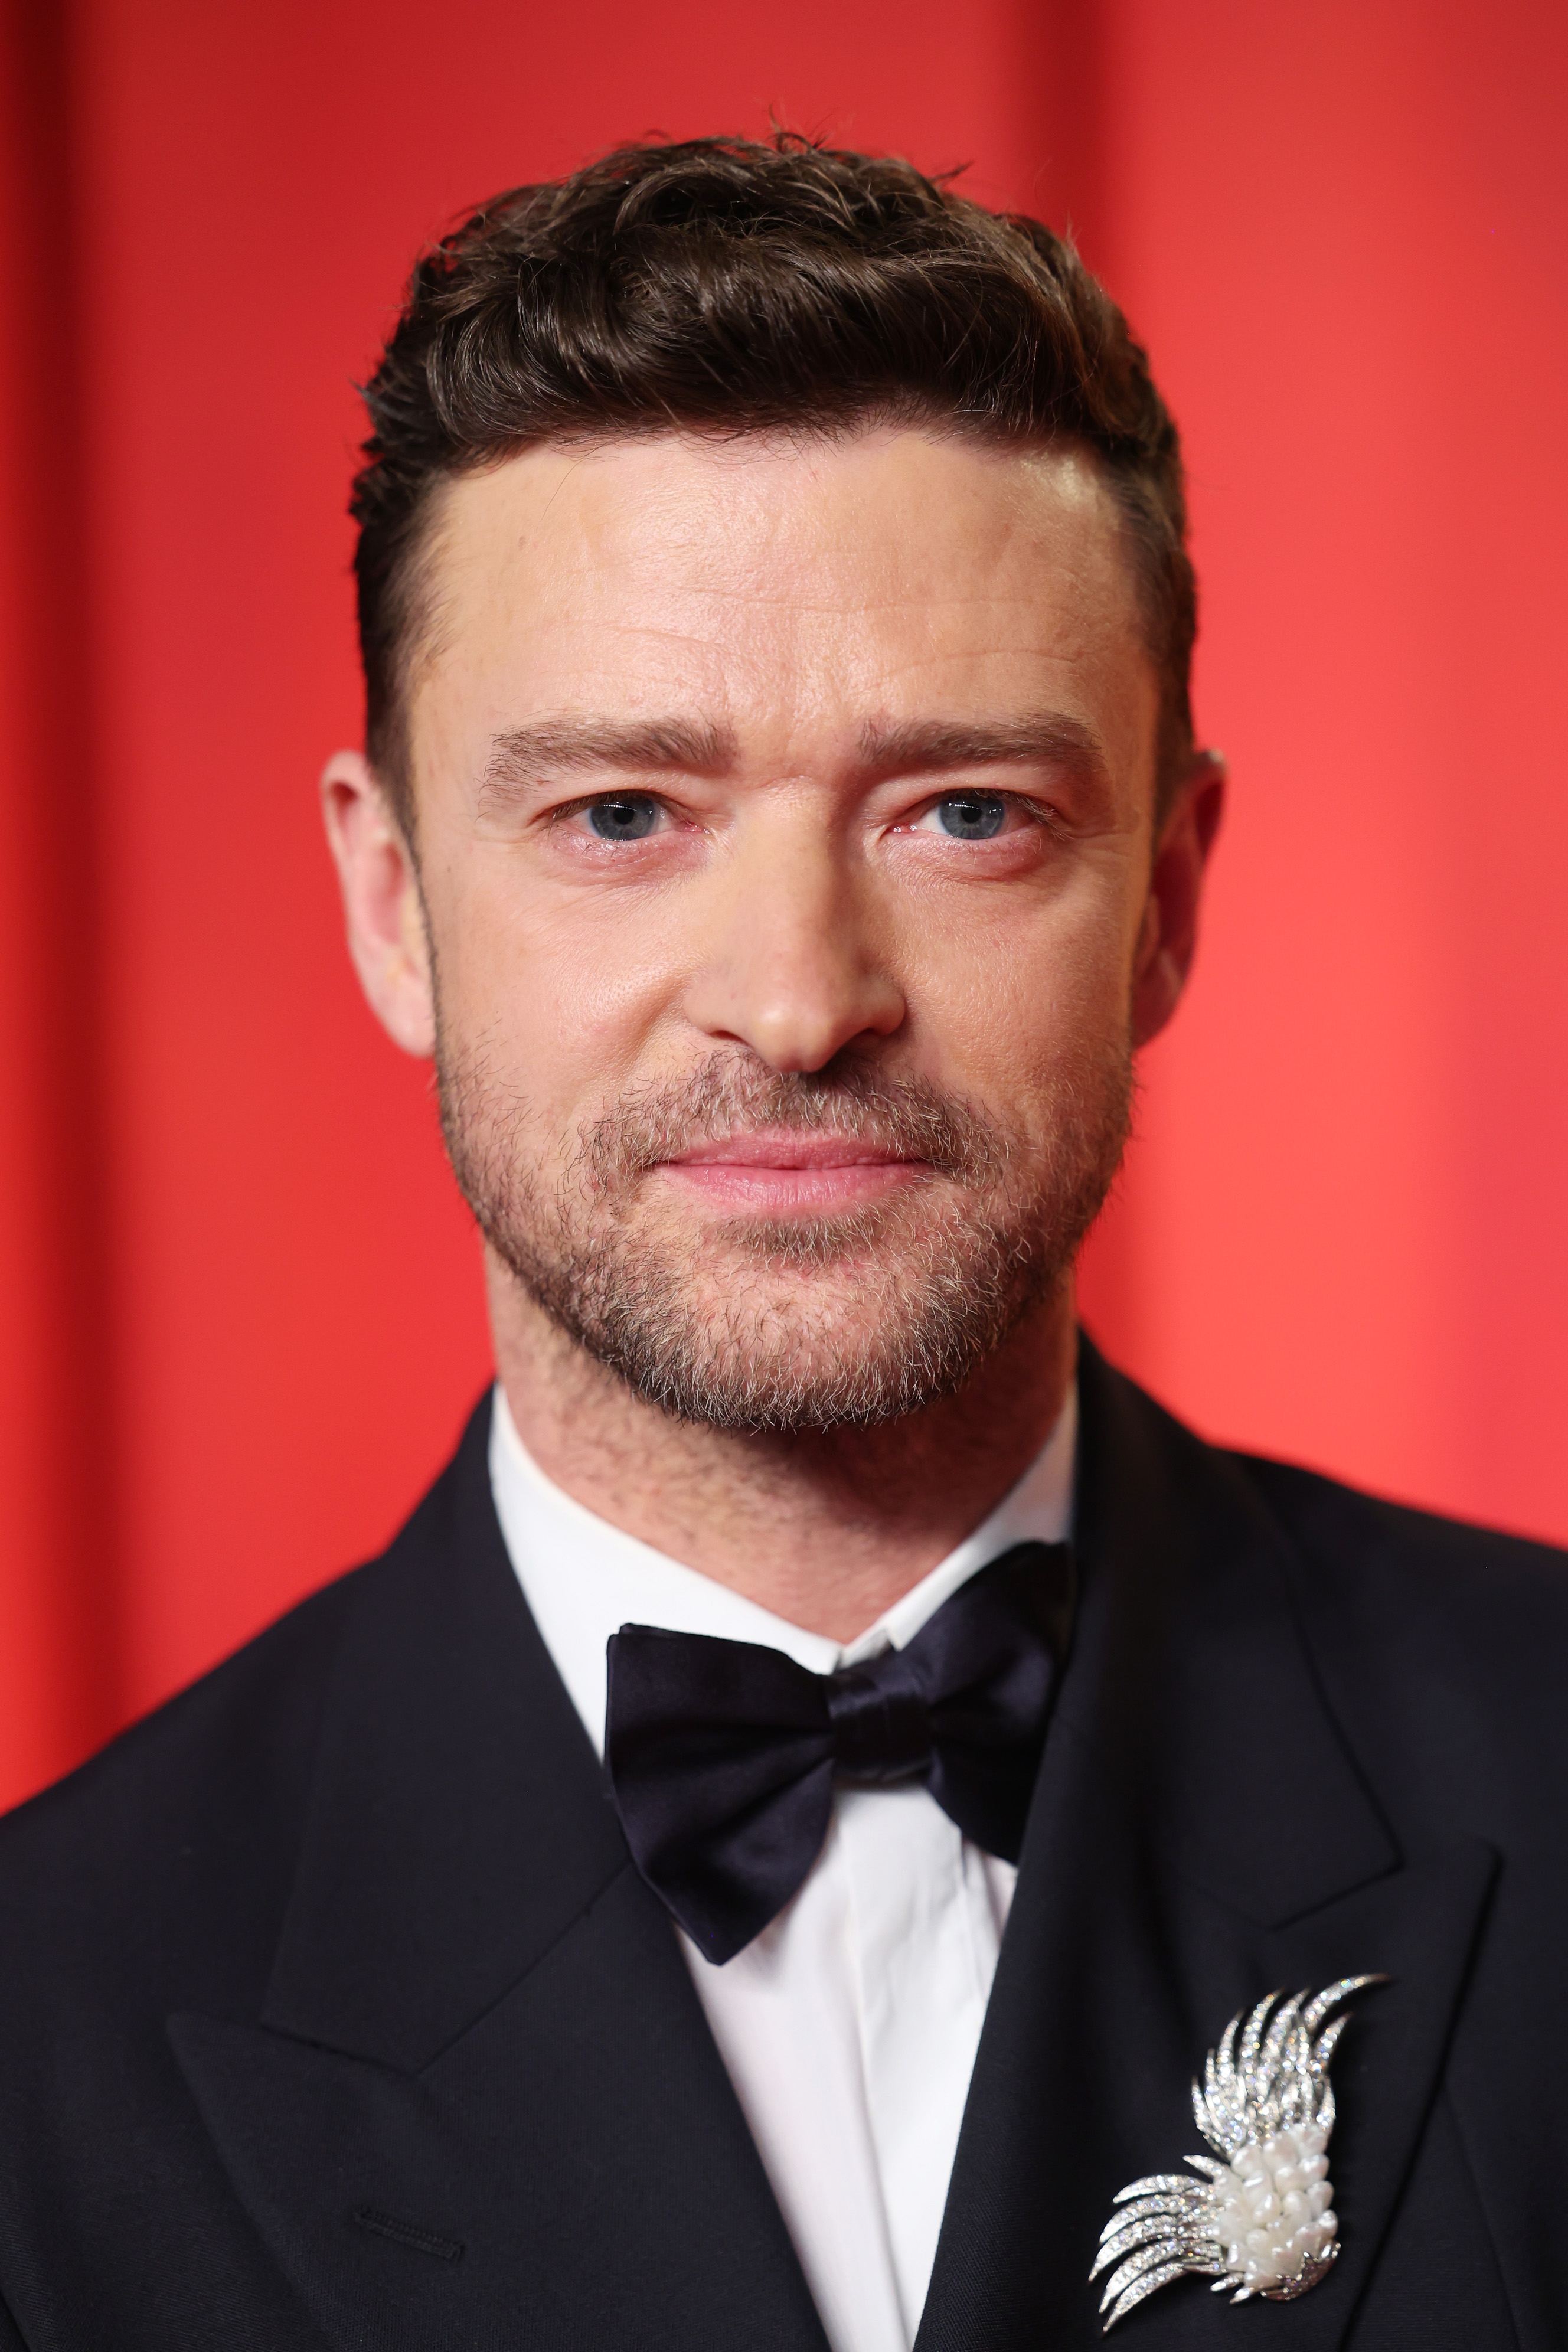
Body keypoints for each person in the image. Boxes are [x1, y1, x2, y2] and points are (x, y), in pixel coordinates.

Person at [0, 133, 1561, 2352]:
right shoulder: (41, 2032)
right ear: (390, 905)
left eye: (966, 815)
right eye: (622, 815)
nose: (804, 994)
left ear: (1171, 904)